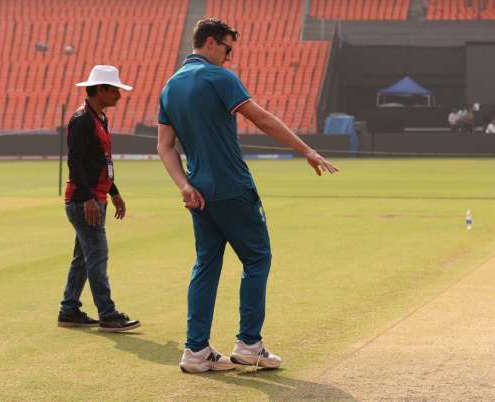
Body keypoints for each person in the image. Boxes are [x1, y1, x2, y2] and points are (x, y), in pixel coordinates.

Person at [157, 18, 339, 374]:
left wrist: (183, 184)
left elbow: (164, 146)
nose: (229, 57)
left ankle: (195, 351)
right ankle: (249, 345)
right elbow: (264, 120)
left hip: (198, 190)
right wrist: (307, 150)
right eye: (227, 49)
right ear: (209, 43)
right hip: (232, 187)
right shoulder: (219, 78)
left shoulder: (170, 87)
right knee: (257, 259)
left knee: (205, 264)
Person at [58, 65, 140, 332]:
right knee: (97, 256)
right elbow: (75, 163)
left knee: (83, 257)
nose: (118, 94)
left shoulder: (98, 117)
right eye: (114, 89)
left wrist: (114, 193)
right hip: (86, 202)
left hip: (94, 197)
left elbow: (101, 162)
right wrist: (89, 199)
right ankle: (108, 313)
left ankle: (69, 309)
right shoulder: (82, 120)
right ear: (101, 90)